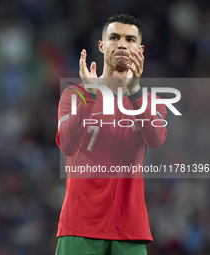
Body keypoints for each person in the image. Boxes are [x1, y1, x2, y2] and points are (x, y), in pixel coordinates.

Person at [55, 14, 167, 255]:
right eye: (114, 37)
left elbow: (156, 139)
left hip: (129, 227)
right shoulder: (74, 95)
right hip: (80, 223)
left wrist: (134, 91)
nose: (122, 44)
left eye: (130, 39)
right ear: (101, 44)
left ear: (140, 49)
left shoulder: (150, 101)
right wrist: (91, 95)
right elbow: (66, 145)